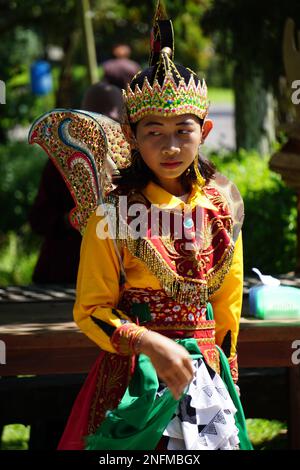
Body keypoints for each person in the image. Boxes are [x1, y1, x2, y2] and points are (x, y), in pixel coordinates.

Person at [31, 2, 252, 451]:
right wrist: (151, 343)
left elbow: (227, 304)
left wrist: (228, 375)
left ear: (204, 131)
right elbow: (91, 310)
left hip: (207, 378)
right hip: (134, 379)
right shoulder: (112, 214)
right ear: (132, 137)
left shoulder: (222, 205)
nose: (170, 146)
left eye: (183, 131)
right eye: (154, 132)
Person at [29, 83, 123, 285]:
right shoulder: (61, 161)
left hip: (113, 279)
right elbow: (38, 219)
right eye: (95, 124)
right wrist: (73, 218)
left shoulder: (133, 162)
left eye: (111, 124)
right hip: (64, 273)